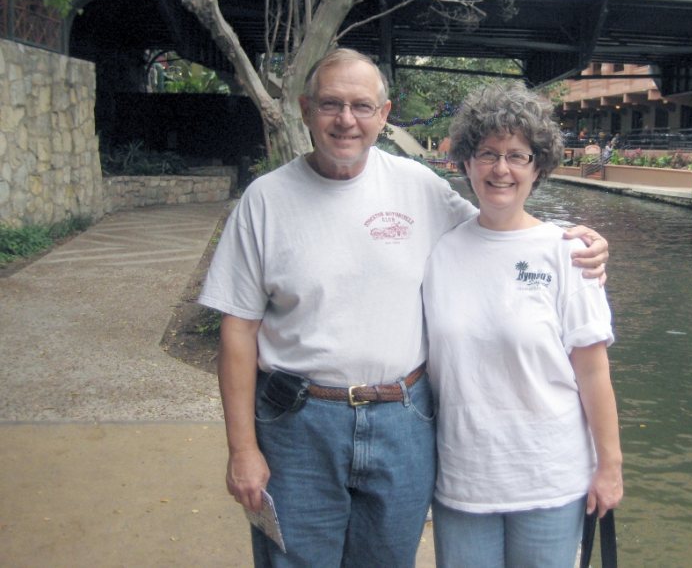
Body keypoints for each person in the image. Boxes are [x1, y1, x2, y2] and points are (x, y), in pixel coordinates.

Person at [197, 48, 611, 567]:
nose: (346, 120)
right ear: (305, 109)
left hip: (403, 418)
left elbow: (499, 227)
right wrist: (242, 449)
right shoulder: (264, 201)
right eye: (331, 104)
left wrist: (573, 245)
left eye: (361, 106)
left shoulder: (418, 188)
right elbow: (236, 332)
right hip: (298, 424)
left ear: (384, 114)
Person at [423, 81, 623, 568]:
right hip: (463, 480)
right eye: (487, 153)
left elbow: (593, 373)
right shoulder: (438, 250)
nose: (501, 169)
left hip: (550, 479)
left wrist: (609, 467)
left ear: (538, 167)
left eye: (517, 155)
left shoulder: (568, 252)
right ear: (467, 162)